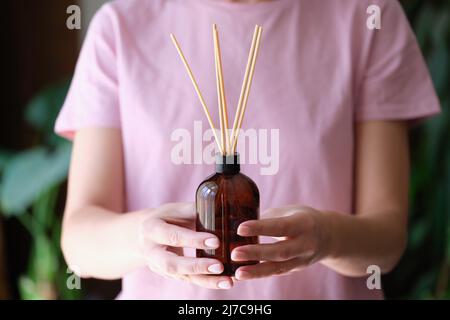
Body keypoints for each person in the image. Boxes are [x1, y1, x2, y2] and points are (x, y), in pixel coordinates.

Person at [55, 0, 440, 299]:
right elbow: (80, 241)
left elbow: (387, 241)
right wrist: (144, 236)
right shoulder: (119, 26)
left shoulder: (368, 17)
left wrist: (327, 237)